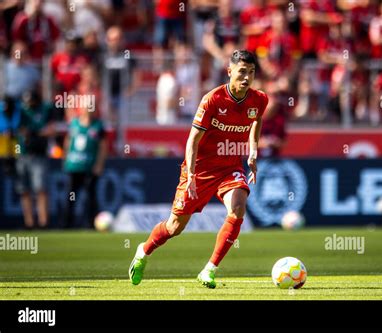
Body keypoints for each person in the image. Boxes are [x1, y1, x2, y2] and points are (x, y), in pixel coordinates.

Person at [129, 50, 268, 288]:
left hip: (230, 167)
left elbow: (256, 122)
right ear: (229, 72)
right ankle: (143, 251)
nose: (247, 78)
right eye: (242, 72)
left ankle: (209, 270)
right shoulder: (212, 100)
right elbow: (193, 139)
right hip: (200, 170)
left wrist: (253, 151)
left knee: (238, 208)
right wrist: (191, 174)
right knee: (174, 227)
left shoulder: (259, 100)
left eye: (251, 72)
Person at [62, 104, 107, 229]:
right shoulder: (74, 123)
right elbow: (68, 141)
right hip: (74, 166)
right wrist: (65, 158)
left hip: (89, 167)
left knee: (90, 197)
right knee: (71, 196)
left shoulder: (98, 126)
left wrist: (99, 165)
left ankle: (91, 224)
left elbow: (103, 147)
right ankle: (67, 224)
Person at [15, 90, 54, 229]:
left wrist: (35, 133)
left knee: (41, 189)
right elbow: (17, 128)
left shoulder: (44, 110)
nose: (29, 105)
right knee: (24, 190)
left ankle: (44, 222)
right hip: (23, 154)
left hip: (39, 155)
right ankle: (29, 223)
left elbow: (51, 129)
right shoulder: (21, 111)